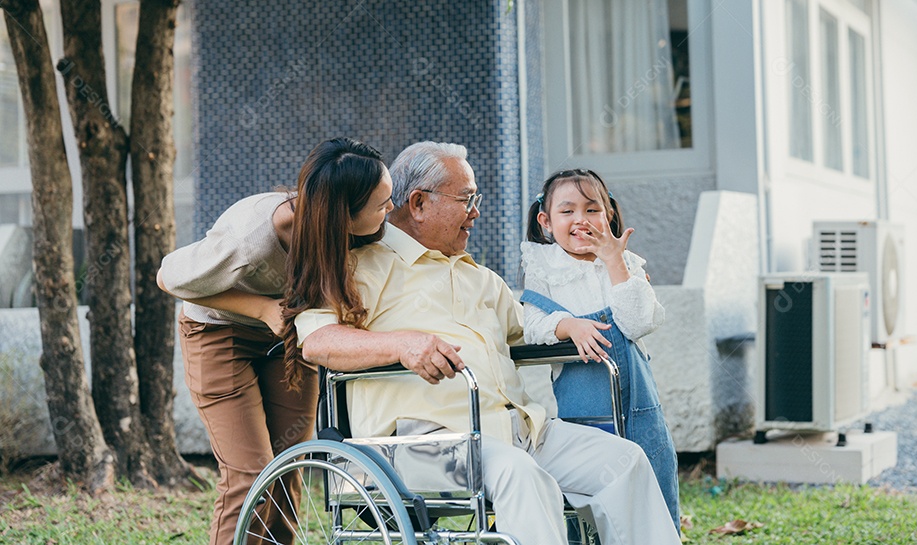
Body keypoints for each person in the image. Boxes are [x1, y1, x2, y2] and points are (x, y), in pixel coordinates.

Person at [296, 142, 681, 545]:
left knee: (625, 461)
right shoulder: (359, 267)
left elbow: (534, 330)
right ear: (419, 203)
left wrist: (608, 281)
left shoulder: (479, 278)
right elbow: (319, 341)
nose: (476, 211)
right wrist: (401, 344)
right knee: (520, 474)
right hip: (426, 443)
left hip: (518, 431)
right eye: (467, 199)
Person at [157, 137, 395, 545]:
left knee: (288, 468)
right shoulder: (251, 237)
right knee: (250, 475)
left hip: (290, 335)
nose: (392, 209)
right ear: (343, 214)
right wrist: (261, 309)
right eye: (383, 204)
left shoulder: (352, 231)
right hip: (219, 334)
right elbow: (169, 278)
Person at [521, 168, 680, 529]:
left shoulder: (626, 264)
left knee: (654, 481)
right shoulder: (544, 267)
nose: (581, 220)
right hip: (585, 414)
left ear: (608, 214)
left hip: (640, 409)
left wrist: (614, 262)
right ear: (546, 221)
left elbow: (639, 322)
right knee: (592, 498)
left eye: (592, 209)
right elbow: (531, 325)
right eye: (567, 211)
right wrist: (567, 324)